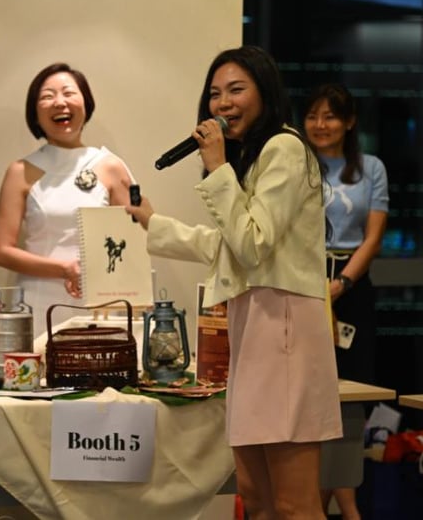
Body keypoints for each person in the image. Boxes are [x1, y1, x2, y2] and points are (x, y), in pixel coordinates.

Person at [126, 45, 342, 519]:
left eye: (236, 90)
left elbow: (250, 243)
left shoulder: (284, 148)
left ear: (265, 93)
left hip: (283, 326)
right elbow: (231, 247)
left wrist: (217, 168)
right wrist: (154, 224)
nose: (222, 103)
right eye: (214, 94)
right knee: (256, 498)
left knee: (294, 504)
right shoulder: (254, 158)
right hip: (255, 324)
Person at [0, 62, 136, 332]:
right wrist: (64, 269)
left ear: (86, 104)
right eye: (47, 96)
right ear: (35, 114)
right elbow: (1, 251)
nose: (60, 102)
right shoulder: (20, 171)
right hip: (38, 299)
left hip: (100, 300)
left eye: (69, 93)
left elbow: (132, 244)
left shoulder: (111, 166)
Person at [304, 83, 389, 520]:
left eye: (331, 116)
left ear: (349, 122)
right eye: (312, 115)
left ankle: (336, 501)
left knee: (350, 393)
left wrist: (342, 284)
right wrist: (317, 285)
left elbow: (373, 238)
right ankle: (339, 506)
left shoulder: (371, 167)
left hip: (351, 286)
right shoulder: (299, 164)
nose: (320, 125)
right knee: (311, 394)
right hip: (303, 282)